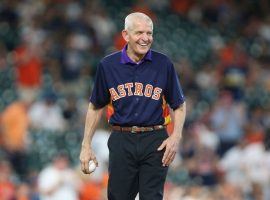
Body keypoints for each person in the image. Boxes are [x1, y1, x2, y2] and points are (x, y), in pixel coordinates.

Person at [79, 12, 186, 200]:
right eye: (139, 33)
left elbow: (179, 105)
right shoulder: (108, 65)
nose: (145, 38)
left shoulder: (164, 64)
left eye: (149, 33)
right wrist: (86, 145)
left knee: (152, 197)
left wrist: (176, 136)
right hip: (122, 138)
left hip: (155, 140)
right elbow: (95, 106)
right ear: (125, 35)